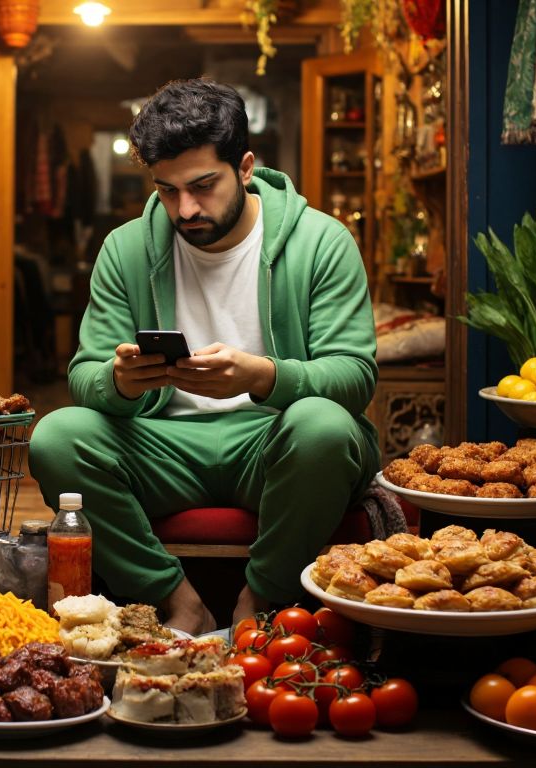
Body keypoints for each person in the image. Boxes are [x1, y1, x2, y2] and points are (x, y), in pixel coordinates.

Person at [28, 79, 380, 634]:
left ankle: (259, 600)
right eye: (167, 190)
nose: (185, 208)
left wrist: (263, 377)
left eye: (203, 185)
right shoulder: (126, 248)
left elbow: (355, 377)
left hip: (273, 441)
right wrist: (119, 382)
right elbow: (84, 377)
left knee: (323, 427)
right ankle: (174, 599)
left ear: (244, 167)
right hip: (164, 445)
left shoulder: (321, 241)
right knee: (57, 436)